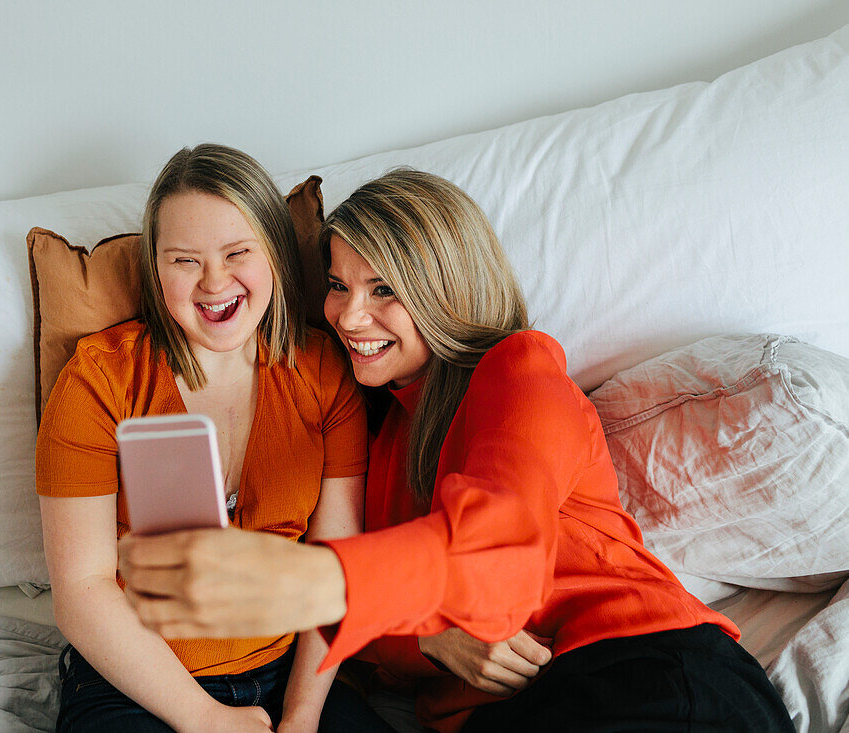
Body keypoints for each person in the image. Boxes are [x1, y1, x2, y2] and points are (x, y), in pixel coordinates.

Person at [120, 169, 795, 732]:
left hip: (634, 669)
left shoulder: (519, 372)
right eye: (338, 284)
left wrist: (310, 581)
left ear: (445, 284)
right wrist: (429, 636)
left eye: (385, 288)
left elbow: (500, 546)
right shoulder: (372, 435)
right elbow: (367, 646)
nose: (349, 317)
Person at [36, 143, 386, 733]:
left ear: (273, 253)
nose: (214, 282)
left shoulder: (327, 374)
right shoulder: (98, 380)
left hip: (289, 675)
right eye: (184, 261)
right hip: (134, 682)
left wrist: (300, 718)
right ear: (156, 267)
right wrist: (204, 719)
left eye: (237, 253)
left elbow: (337, 566)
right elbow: (81, 589)